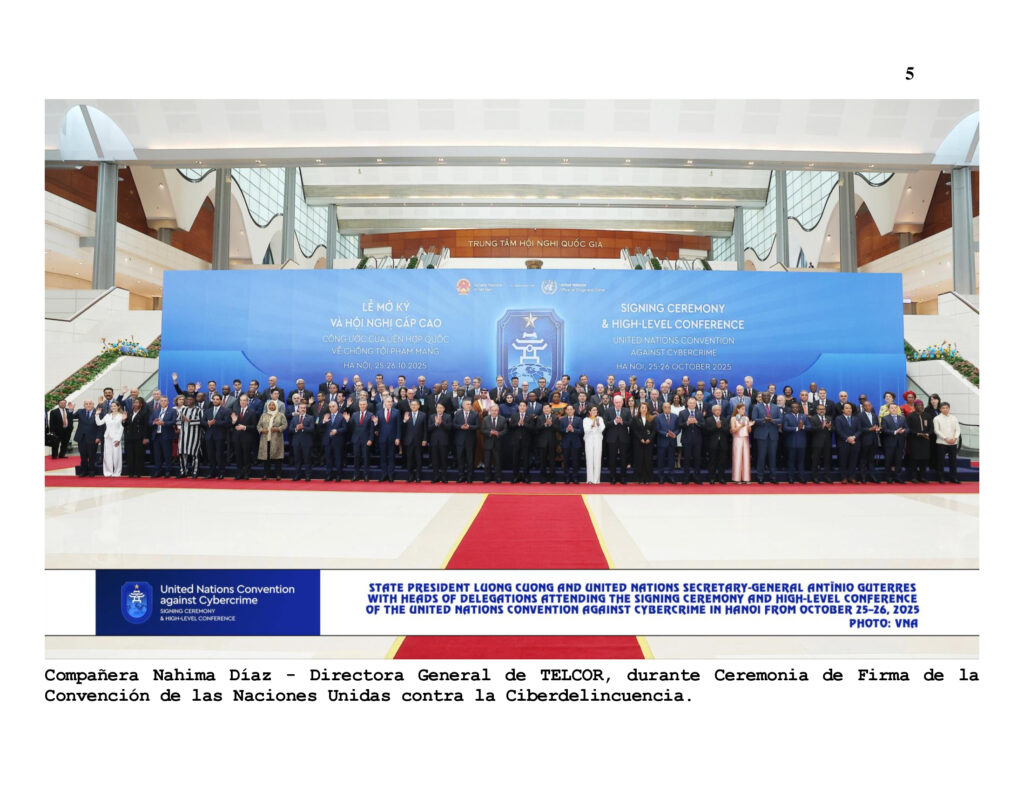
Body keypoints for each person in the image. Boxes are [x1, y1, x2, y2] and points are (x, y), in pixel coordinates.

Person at [752, 393, 782, 484]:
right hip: (761, 435)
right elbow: (754, 419)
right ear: (761, 397)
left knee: (773, 456)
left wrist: (772, 420)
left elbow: (781, 419)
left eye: (767, 396)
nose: (766, 397)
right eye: (764, 396)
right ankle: (760, 476)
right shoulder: (756, 407)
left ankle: (773, 476)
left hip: (773, 435)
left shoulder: (776, 407)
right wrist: (763, 420)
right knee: (761, 456)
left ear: (770, 397)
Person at [257, 399, 288, 481]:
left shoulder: (281, 415)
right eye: (270, 405)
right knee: (266, 458)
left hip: (276, 439)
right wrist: (261, 430)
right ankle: (266, 474)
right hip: (265, 439)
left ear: (276, 406)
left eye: (273, 405)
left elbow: (285, 425)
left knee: (278, 457)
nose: (271, 406)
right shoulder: (264, 415)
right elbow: (258, 426)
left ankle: (278, 474)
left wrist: (278, 429)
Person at [230, 394, 258, 480]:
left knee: (246, 456)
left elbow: (254, 426)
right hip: (237, 437)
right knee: (238, 456)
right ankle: (239, 473)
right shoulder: (235, 411)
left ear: (247, 402)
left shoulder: (252, 412)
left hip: (247, 438)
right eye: (241, 400)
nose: (242, 402)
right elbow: (231, 426)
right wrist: (233, 422)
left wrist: (245, 427)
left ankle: (247, 473)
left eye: (244, 400)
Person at [603, 395, 630, 485]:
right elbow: (605, 423)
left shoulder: (626, 410)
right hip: (612, 439)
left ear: (622, 402)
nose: (618, 404)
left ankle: (623, 477)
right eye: (616, 402)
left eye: (620, 402)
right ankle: (613, 477)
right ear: (614, 402)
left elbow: (630, 422)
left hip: (623, 438)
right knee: (612, 459)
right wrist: (614, 422)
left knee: (623, 459)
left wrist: (622, 422)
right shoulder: (608, 410)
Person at [374, 395, 402, 482]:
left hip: (393, 438)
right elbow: (377, 427)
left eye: (391, 402)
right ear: (384, 402)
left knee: (391, 457)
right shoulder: (379, 412)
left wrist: (398, 437)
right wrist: (375, 423)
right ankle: (383, 474)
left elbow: (399, 426)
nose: (390, 403)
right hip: (382, 438)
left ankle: (390, 475)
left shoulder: (397, 412)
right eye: (388, 401)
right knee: (382, 457)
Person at [175, 394, 204, 478]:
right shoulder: (183, 409)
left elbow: (202, 422)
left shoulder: (199, 410)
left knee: (195, 454)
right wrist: (181, 420)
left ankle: (195, 471)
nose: (189, 401)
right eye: (187, 399)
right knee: (181, 453)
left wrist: (189, 420)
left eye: (191, 399)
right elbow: (177, 421)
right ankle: (183, 471)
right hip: (183, 435)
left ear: (194, 400)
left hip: (195, 435)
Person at [203, 393, 230, 479]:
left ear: (221, 401)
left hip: (220, 436)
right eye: (214, 399)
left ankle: (221, 472)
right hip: (209, 436)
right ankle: (212, 472)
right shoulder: (207, 411)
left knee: (219, 455)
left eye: (217, 399)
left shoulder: (225, 411)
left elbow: (227, 423)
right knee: (210, 455)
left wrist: (215, 422)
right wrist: (208, 423)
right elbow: (202, 422)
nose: (215, 401)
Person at [149, 396, 178, 478]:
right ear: (160, 402)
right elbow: (149, 422)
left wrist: (164, 423)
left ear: (168, 402)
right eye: (162, 401)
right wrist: (154, 422)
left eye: (165, 401)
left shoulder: (172, 411)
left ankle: (168, 471)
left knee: (167, 454)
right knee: (157, 454)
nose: (163, 402)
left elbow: (173, 421)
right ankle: (158, 470)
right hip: (156, 436)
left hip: (167, 436)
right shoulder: (156, 411)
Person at [95, 400, 125, 477]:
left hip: (116, 438)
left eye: (115, 406)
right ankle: (108, 472)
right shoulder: (107, 415)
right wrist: (97, 415)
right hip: (107, 437)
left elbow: (121, 428)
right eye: (112, 406)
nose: (113, 407)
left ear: (118, 407)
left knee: (116, 456)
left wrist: (118, 439)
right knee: (107, 455)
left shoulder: (121, 415)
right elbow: (99, 423)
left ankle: (117, 472)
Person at [933, 401, 961, 483]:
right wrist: (945, 438)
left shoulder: (954, 418)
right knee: (941, 461)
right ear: (940, 409)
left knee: (953, 461)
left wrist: (955, 438)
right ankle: (941, 478)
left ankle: (953, 477)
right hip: (941, 442)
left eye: (947, 408)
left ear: (949, 408)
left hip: (953, 442)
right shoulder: (937, 418)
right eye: (943, 408)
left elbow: (958, 429)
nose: (945, 409)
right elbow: (936, 430)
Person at [678, 397, 704, 484]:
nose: (692, 404)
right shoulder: (682, 413)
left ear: (695, 404)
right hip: (686, 439)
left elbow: (703, 425)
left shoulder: (699, 413)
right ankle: (686, 477)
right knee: (686, 459)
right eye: (690, 403)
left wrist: (697, 422)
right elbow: (679, 425)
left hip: (697, 440)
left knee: (697, 458)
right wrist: (687, 423)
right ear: (687, 404)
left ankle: (697, 477)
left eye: (693, 403)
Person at [452, 398, 479, 483]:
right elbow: (454, 424)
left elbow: (477, 426)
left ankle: (469, 477)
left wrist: (469, 427)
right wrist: (461, 427)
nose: (469, 406)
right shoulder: (457, 414)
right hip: (459, 440)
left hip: (470, 440)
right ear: (463, 405)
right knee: (460, 459)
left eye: (470, 404)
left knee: (470, 459)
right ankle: (461, 476)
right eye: (467, 404)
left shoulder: (475, 414)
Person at [121, 397, 149, 478]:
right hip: (129, 437)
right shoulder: (129, 412)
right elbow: (125, 425)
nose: (135, 404)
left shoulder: (144, 413)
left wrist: (145, 438)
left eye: (137, 402)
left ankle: (138, 472)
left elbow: (146, 426)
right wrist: (123, 420)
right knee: (129, 455)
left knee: (138, 455)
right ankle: (131, 472)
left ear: (141, 404)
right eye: (134, 403)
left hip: (139, 438)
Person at [881, 404, 909, 484]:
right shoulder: (885, 418)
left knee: (898, 460)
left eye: (895, 408)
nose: (894, 409)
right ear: (889, 409)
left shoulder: (902, 418)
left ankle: (898, 477)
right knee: (888, 460)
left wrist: (904, 431)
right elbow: (884, 430)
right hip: (889, 443)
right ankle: (888, 477)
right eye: (892, 408)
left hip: (900, 443)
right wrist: (895, 432)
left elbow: (907, 428)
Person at [855, 399, 882, 483]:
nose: (868, 407)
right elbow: (859, 428)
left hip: (874, 440)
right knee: (863, 460)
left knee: (871, 459)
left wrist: (878, 429)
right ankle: (863, 477)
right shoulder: (859, 416)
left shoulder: (874, 415)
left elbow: (877, 426)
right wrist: (870, 429)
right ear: (863, 407)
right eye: (866, 406)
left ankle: (872, 476)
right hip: (864, 440)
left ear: (871, 406)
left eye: (869, 405)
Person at [480, 403, 508, 483]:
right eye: (492, 410)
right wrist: (490, 432)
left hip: (498, 444)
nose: (494, 412)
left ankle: (498, 477)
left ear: (498, 411)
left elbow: (505, 430)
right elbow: (482, 430)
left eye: (496, 410)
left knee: (497, 462)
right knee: (487, 462)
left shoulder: (503, 419)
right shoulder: (485, 419)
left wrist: (498, 433)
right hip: (487, 444)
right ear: (490, 411)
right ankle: (487, 477)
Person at [703, 404, 730, 485]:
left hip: (723, 444)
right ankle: (712, 478)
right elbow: (706, 432)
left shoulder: (725, 419)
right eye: (716, 410)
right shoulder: (708, 420)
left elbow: (727, 432)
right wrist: (716, 427)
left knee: (722, 462)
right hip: (712, 444)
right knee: (712, 461)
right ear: (712, 411)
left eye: (719, 410)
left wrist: (721, 427)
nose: (718, 411)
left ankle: (721, 478)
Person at [806, 403, 834, 483]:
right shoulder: (813, 418)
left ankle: (827, 476)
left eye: (823, 409)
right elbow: (811, 429)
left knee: (827, 460)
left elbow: (834, 429)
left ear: (825, 410)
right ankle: (815, 477)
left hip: (827, 442)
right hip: (817, 442)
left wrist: (830, 428)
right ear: (817, 410)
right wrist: (821, 426)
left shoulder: (829, 418)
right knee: (815, 460)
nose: (822, 411)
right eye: (820, 409)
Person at [781, 400, 808, 484]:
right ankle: (791, 477)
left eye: (797, 407)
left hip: (802, 442)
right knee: (791, 461)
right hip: (791, 442)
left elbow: (810, 426)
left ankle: (801, 477)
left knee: (801, 461)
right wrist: (796, 428)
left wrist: (803, 427)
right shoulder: (787, 416)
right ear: (791, 409)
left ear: (799, 408)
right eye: (793, 407)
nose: (795, 409)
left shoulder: (804, 416)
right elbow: (785, 428)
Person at [507, 400, 533, 483]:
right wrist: (518, 424)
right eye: (520, 406)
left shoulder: (530, 416)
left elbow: (532, 428)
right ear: (518, 407)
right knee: (515, 459)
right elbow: (510, 427)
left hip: (526, 441)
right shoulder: (514, 416)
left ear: (526, 407)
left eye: (524, 406)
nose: (522, 407)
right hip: (515, 441)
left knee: (526, 459)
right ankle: (515, 476)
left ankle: (526, 476)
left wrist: (524, 424)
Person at [906, 400, 932, 483]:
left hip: (925, 440)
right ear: (915, 406)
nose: (921, 407)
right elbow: (908, 428)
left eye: (922, 405)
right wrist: (917, 433)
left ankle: (922, 477)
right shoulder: (910, 416)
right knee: (914, 459)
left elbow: (931, 428)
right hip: (914, 440)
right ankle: (914, 477)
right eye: (918, 405)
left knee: (924, 459)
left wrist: (928, 433)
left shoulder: (927, 416)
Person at [72, 400, 100, 476]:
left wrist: (98, 437)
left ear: (93, 404)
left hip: (93, 438)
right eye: (86, 404)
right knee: (83, 456)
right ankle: (84, 471)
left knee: (92, 455)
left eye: (90, 404)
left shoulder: (98, 412)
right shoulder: (80, 411)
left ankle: (91, 471)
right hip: (81, 438)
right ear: (84, 405)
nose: (88, 405)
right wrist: (71, 410)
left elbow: (101, 426)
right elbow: (71, 417)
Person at [654, 401, 680, 484]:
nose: (667, 409)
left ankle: (671, 476)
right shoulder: (658, 417)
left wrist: (675, 434)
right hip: (662, 442)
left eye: (669, 407)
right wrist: (666, 434)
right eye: (665, 407)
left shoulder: (675, 416)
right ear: (662, 408)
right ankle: (661, 477)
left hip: (672, 442)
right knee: (661, 460)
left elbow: (678, 428)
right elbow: (657, 429)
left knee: (671, 460)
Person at [289, 402, 315, 481]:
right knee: (297, 460)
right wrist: (296, 428)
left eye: (304, 408)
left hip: (307, 442)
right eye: (301, 408)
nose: (303, 409)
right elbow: (290, 429)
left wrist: (303, 427)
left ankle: (308, 475)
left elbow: (312, 429)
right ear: (298, 409)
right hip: (296, 442)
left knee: (307, 459)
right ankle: (297, 475)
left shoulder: (310, 418)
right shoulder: (294, 418)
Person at [402, 399, 427, 482]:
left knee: (418, 459)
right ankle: (410, 476)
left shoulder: (423, 415)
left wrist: (424, 439)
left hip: (419, 441)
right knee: (409, 459)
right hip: (409, 441)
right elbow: (402, 429)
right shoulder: (407, 414)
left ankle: (418, 476)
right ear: (410, 406)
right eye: (412, 405)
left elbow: (425, 429)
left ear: (418, 406)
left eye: (415, 405)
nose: (413, 406)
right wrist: (404, 421)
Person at [833, 402, 859, 484]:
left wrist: (853, 437)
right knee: (843, 460)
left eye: (850, 408)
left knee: (853, 460)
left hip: (854, 442)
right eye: (847, 408)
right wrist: (847, 438)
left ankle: (852, 477)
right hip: (843, 442)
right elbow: (838, 430)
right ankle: (843, 477)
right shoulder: (838, 418)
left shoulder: (856, 418)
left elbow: (859, 430)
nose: (849, 409)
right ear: (843, 410)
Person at [349, 398, 374, 482]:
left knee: (365, 458)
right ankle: (356, 475)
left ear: (366, 405)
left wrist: (370, 439)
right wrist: (347, 420)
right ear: (358, 405)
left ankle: (366, 475)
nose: (362, 406)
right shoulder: (354, 414)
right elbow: (351, 427)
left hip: (366, 440)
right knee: (356, 458)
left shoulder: (370, 415)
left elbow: (371, 429)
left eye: (364, 404)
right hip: (356, 440)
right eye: (361, 404)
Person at [631, 401, 655, 484]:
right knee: (639, 460)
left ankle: (648, 479)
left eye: (645, 408)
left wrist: (649, 439)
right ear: (639, 409)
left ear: (647, 409)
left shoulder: (651, 418)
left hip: (649, 442)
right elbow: (634, 430)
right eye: (642, 408)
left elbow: (654, 430)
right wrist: (640, 438)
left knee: (647, 460)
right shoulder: (635, 418)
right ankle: (640, 478)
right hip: (638, 442)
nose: (644, 409)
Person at [428, 403, 452, 483]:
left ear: (444, 409)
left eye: (441, 408)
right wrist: (435, 424)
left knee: (444, 460)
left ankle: (444, 477)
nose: (439, 409)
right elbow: (428, 428)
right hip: (434, 441)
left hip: (444, 441)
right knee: (434, 460)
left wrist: (441, 423)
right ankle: (436, 476)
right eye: (438, 408)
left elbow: (449, 428)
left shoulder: (448, 416)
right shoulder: (432, 416)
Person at [559, 404, 583, 484]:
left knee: (575, 461)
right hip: (565, 443)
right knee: (566, 461)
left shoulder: (579, 419)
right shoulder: (562, 420)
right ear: (566, 411)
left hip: (576, 443)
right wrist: (566, 430)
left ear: (574, 410)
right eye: (568, 409)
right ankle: (566, 477)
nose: (569, 411)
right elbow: (560, 430)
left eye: (571, 409)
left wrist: (573, 430)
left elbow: (581, 431)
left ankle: (575, 477)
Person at [583, 405, 605, 485]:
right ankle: (590, 479)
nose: (595, 411)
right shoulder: (586, 419)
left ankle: (596, 479)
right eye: (593, 410)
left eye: (596, 410)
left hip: (598, 439)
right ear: (589, 411)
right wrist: (592, 426)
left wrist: (598, 424)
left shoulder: (600, 419)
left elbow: (602, 429)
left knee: (597, 458)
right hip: (589, 439)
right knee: (589, 459)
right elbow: (586, 430)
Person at [729, 403, 751, 484]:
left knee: (746, 458)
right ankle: (737, 478)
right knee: (737, 458)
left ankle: (746, 478)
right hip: (737, 439)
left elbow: (749, 431)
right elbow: (733, 430)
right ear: (738, 409)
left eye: (744, 409)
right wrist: (741, 425)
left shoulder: (746, 418)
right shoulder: (733, 418)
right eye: (742, 409)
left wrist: (749, 426)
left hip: (745, 439)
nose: (743, 410)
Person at [923, 393, 943, 478]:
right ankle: (932, 466)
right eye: (931, 399)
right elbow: (926, 422)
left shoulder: (942, 408)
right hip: (932, 433)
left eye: (935, 399)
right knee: (932, 449)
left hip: (942, 434)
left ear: (938, 400)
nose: (933, 401)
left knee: (940, 451)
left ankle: (939, 467)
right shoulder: (927, 409)